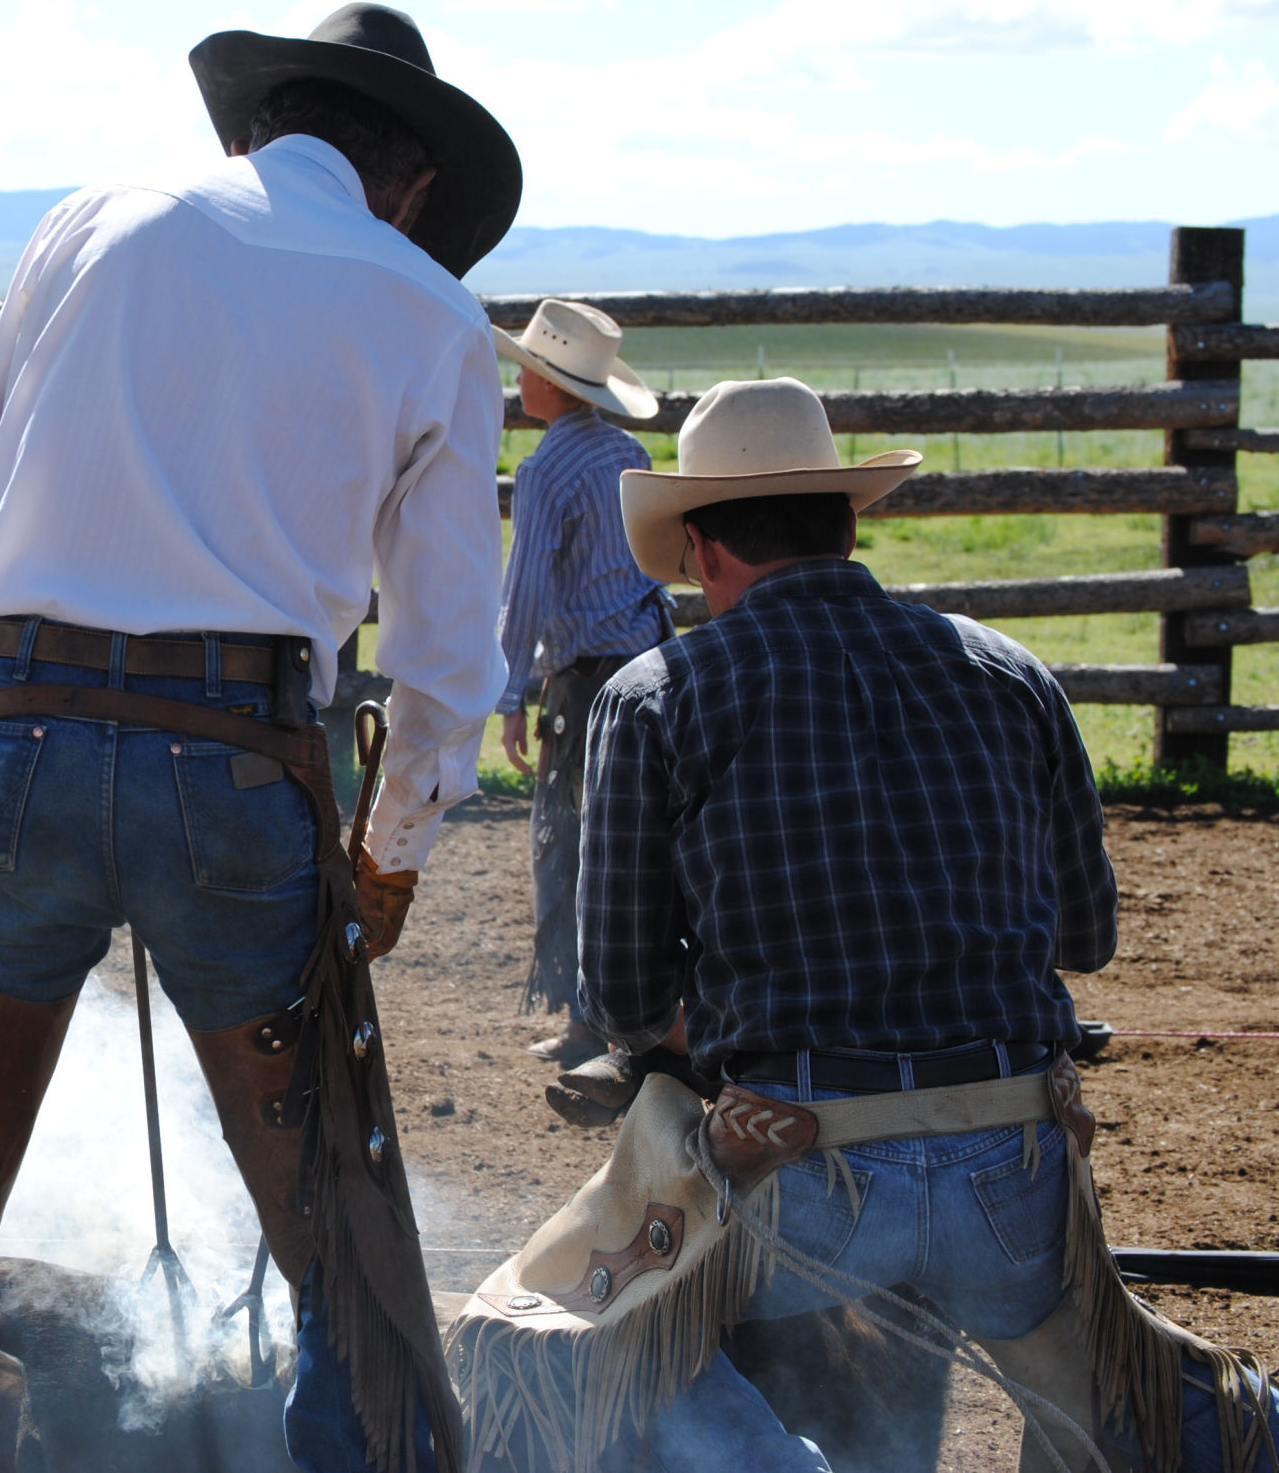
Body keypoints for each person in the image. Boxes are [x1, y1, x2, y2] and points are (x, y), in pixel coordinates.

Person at [0, 2, 521, 1473]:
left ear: (255, 128)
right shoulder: (433, 313)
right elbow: (447, 670)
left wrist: (31, 683)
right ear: (415, 182)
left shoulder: (96, 222)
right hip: (243, 769)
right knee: (337, 1219)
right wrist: (387, 859)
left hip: (9, 749)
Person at [448, 378, 1274, 1473]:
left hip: (800, 1178)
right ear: (847, 524)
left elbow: (626, 997)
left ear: (699, 551)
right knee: (1124, 1394)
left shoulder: (656, 696)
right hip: (1012, 1166)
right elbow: (1087, 937)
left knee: (561, 1341)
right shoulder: (1010, 673)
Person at [485, 299, 668, 1074]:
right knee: (647, 837)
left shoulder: (544, 471)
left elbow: (524, 591)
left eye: (529, 367)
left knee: (568, 840)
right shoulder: (628, 452)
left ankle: (586, 1020)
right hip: (654, 664)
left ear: (547, 386)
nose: (520, 376)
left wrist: (509, 694)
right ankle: (653, 1007)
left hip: (586, 682)